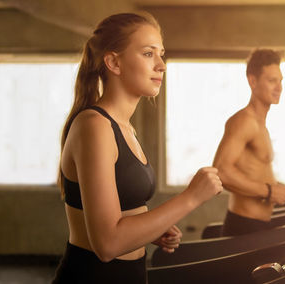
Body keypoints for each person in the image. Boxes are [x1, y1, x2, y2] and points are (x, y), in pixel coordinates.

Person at [52, 12, 223, 283]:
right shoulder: (94, 126)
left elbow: (121, 213)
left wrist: (152, 231)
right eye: (148, 54)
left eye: (161, 54)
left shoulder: (125, 127)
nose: (162, 65)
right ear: (114, 63)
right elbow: (107, 244)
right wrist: (191, 197)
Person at [212, 48, 285, 237]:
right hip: (243, 226)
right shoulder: (244, 121)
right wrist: (269, 191)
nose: (279, 87)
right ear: (252, 81)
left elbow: (251, 171)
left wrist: (280, 188)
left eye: (280, 81)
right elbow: (220, 172)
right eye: (272, 81)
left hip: (257, 226)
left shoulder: (261, 125)